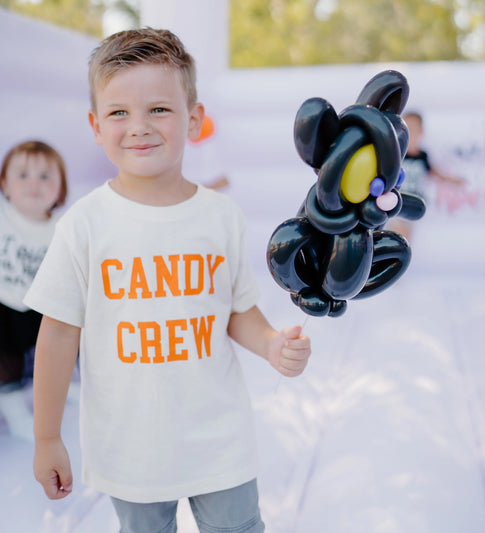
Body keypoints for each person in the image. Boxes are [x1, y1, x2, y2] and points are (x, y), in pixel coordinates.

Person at [24, 28, 311, 533]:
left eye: (159, 109)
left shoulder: (221, 217)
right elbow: (59, 334)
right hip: (130, 446)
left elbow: (237, 309)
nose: (139, 127)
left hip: (219, 438)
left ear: (193, 120)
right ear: (95, 125)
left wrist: (271, 344)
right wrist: (47, 438)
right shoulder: (84, 225)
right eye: (119, 112)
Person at [0, 140, 68, 440]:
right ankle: (14, 407)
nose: (34, 184)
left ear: (60, 189)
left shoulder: (64, 227)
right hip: (3, 303)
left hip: (38, 306)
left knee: (57, 343)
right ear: (5, 184)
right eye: (23, 175)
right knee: (7, 358)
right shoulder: (3, 215)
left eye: (45, 176)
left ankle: (62, 385)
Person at [390, 111, 464, 241]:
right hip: (396, 202)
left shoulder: (423, 156)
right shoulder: (397, 154)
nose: (410, 133)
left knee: (405, 239)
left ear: (421, 132)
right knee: (398, 234)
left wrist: (452, 181)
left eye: (413, 129)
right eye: (406, 129)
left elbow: (435, 173)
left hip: (413, 203)